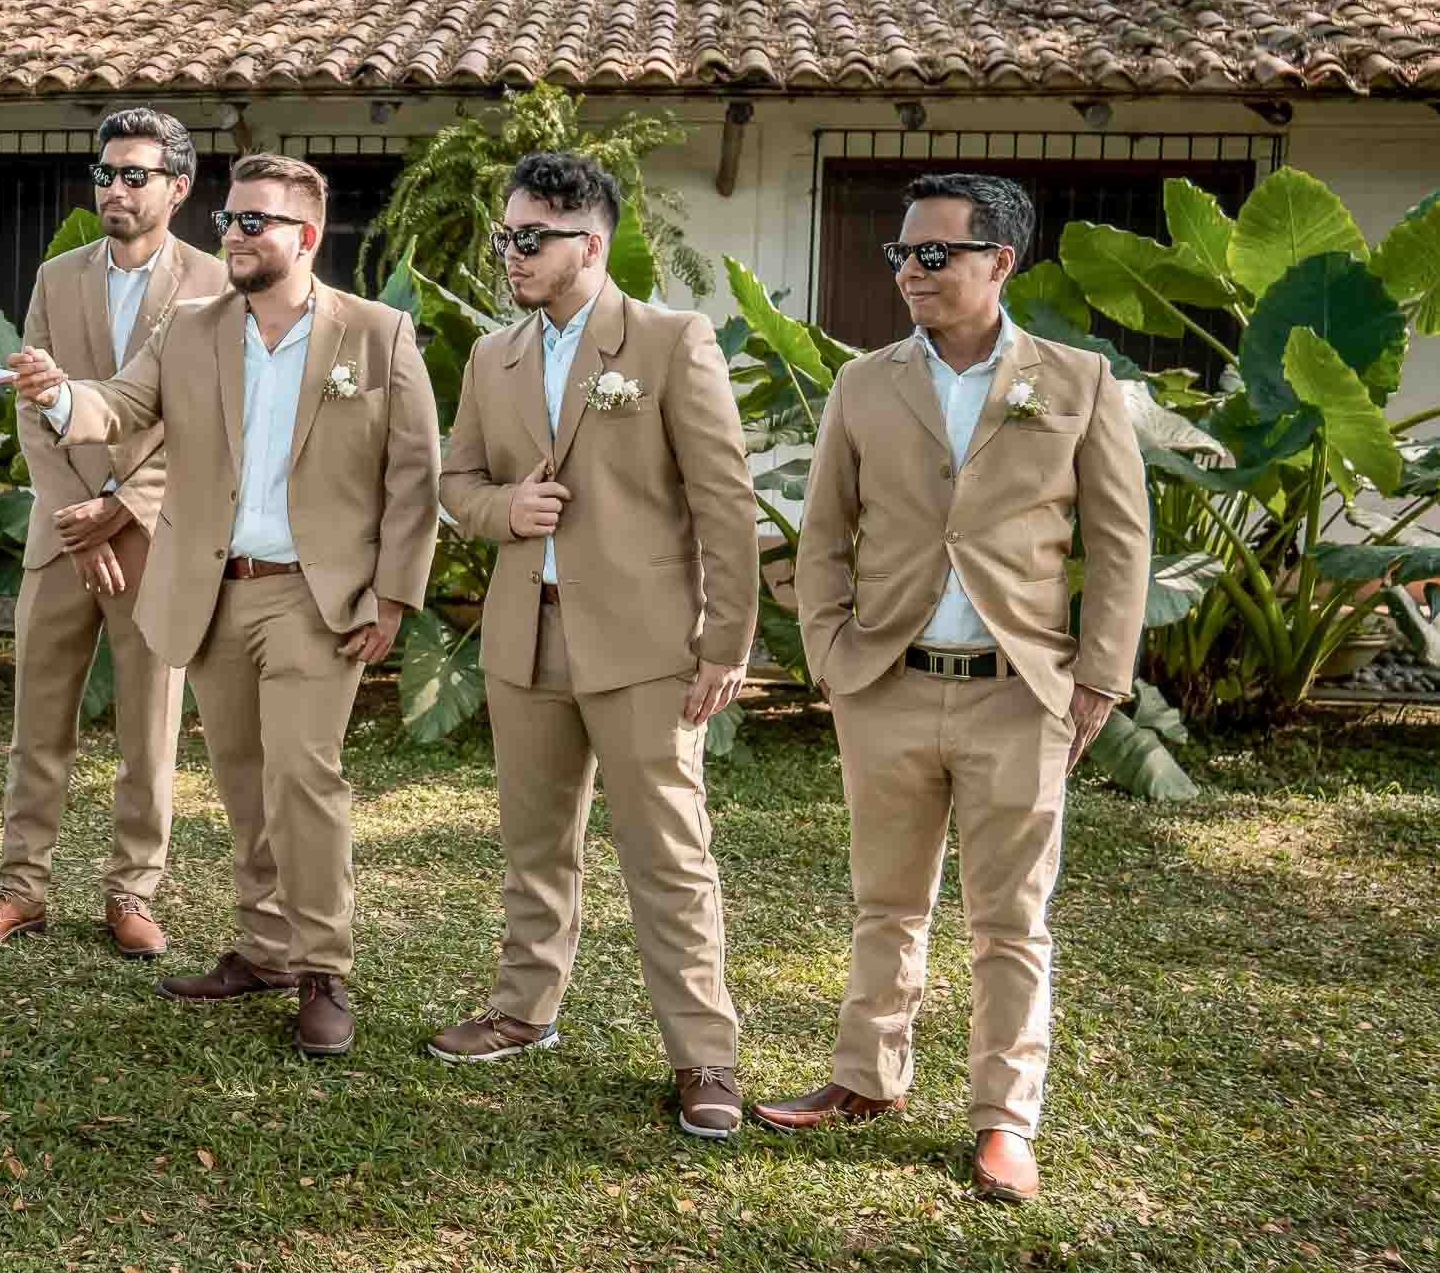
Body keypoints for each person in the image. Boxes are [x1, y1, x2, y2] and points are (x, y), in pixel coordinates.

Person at [750, 173, 1149, 1203]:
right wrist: (833, 656)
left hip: (1019, 692)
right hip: (885, 683)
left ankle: (1004, 1119)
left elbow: (1116, 545)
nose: (909, 271)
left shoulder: (1075, 380)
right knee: (883, 900)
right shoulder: (864, 383)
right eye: (900, 254)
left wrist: (1095, 676)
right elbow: (824, 534)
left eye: (932, 253)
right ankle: (865, 1075)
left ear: (997, 262)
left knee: (1010, 918)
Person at [5, 153, 440, 1057]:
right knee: (244, 779)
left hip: (317, 600)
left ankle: (325, 969)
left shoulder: (377, 334)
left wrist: (394, 592)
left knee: (303, 777)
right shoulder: (193, 329)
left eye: (255, 222)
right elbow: (120, 405)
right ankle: (264, 946)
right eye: (230, 220)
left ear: (305, 237)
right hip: (216, 592)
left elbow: (413, 474)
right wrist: (61, 398)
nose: (232, 235)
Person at [430, 151, 761, 1138]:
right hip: (519, 641)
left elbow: (724, 499)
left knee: (666, 854)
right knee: (535, 845)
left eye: (531, 237)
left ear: (592, 241)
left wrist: (725, 637)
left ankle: (704, 1053)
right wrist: (505, 508)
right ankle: (524, 1009)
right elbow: (455, 483)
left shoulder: (668, 341)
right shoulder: (493, 356)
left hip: (646, 647)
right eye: (505, 235)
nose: (511, 254)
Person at [0, 108, 229, 958]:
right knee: (39, 721)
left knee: (150, 728)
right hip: (62, 533)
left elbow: (210, 423)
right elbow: (35, 402)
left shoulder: (214, 283)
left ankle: (132, 893)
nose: (115, 188)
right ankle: (20, 889)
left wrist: (125, 507)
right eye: (105, 173)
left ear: (179, 187)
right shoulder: (56, 277)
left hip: (157, 534)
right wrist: (80, 517)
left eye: (135, 175)